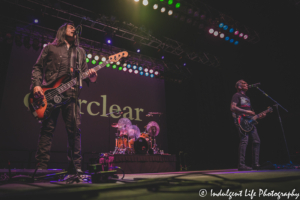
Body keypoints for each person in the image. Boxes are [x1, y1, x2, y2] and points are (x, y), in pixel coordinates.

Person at [30, 23, 98, 172]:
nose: (74, 29)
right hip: (49, 94)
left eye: (75, 28)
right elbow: (37, 67)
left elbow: (86, 75)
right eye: (70, 27)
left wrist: (92, 77)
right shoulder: (50, 48)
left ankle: (76, 168)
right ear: (62, 30)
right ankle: (41, 167)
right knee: (47, 130)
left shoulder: (80, 52)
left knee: (75, 130)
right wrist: (36, 84)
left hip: (71, 95)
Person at [230, 80, 266, 171]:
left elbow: (250, 113)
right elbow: (233, 107)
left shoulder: (247, 97)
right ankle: (241, 165)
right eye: (244, 83)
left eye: (246, 83)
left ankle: (256, 164)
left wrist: (258, 116)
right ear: (239, 86)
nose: (246, 84)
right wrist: (246, 112)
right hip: (241, 120)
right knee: (244, 141)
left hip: (250, 121)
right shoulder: (236, 95)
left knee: (256, 141)